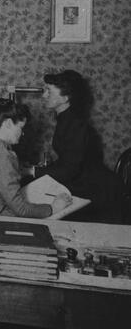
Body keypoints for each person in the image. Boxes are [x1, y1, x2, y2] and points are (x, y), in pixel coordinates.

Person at [31, 70, 125, 223]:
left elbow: (70, 170)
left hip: (100, 192)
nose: (44, 95)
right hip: (86, 184)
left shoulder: (75, 124)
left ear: (66, 98)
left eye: (49, 91)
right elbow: (68, 160)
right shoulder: (65, 118)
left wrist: (32, 171)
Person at [0, 99, 72, 218]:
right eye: (20, 127)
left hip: (1, 208)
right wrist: (53, 207)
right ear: (7, 124)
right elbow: (21, 209)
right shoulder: (1, 157)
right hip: (6, 216)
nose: (22, 133)